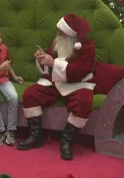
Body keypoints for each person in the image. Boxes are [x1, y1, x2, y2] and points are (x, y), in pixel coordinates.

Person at [16, 14, 96, 160]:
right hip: (56, 81)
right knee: (30, 94)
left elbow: (79, 71)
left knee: (83, 103)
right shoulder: (57, 42)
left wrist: (53, 63)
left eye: (62, 32)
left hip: (77, 83)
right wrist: (41, 58)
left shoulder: (87, 47)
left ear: (72, 34)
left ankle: (66, 140)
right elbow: (49, 58)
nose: (58, 34)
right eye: (58, 31)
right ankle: (36, 136)